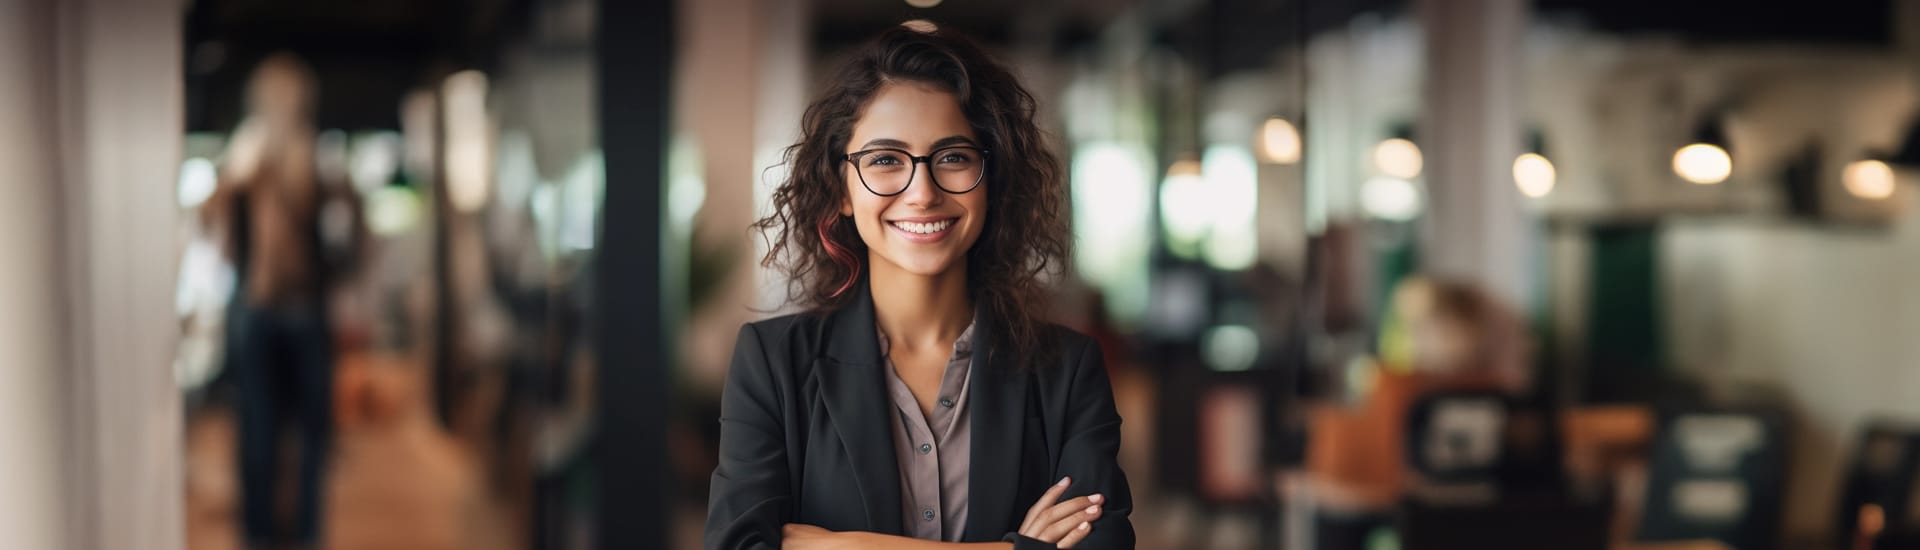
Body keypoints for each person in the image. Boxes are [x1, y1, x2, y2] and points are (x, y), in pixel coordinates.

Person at [704, 24, 1134, 550]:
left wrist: (841, 546)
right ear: (841, 189)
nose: (922, 192)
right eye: (885, 160)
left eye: (953, 157)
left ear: (992, 181)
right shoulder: (772, 363)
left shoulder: (1066, 368)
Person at [202, 52, 358, 550]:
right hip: (296, 310)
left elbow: (213, 228)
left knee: (263, 435)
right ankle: (301, 534)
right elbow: (349, 233)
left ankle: (262, 535)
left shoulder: (270, 158)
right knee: (300, 437)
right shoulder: (301, 159)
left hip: (263, 312)